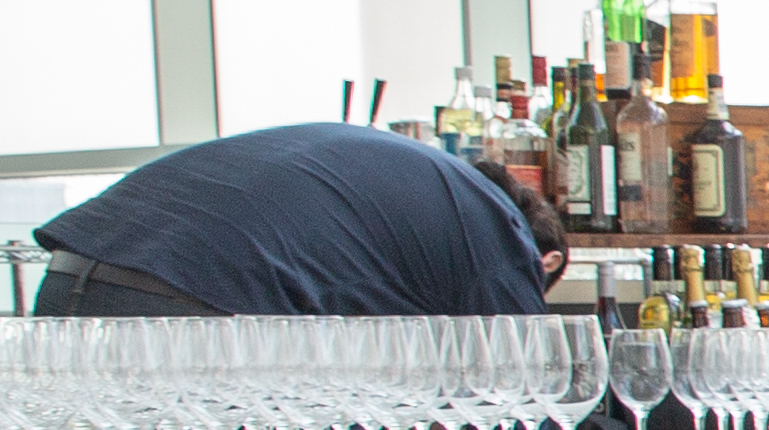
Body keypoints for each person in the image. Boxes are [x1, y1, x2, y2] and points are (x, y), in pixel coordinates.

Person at [28, 118, 563, 316]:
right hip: (190, 307)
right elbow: (511, 410)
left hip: (66, 281)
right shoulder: (497, 234)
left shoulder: (423, 186)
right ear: (544, 262)